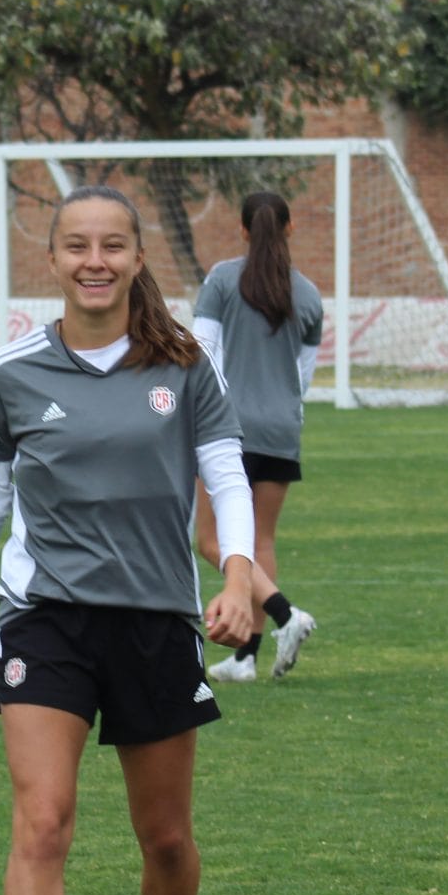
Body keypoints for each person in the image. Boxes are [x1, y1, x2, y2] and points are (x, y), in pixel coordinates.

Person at [0, 185, 256, 895]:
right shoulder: (9, 374)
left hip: (156, 620)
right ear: (55, 257)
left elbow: (225, 473)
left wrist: (237, 575)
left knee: (165, 839)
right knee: (43, 821)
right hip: (46, 621)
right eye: (78, 245)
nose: (95, 261)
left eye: (113, 245)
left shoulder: (185, 364)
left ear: (137, 257)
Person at [192, 191, 322, 681]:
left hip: (228, 426)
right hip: (282, 427)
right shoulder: (309, 295)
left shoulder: (223, 280)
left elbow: (203, 352)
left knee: (210, 538)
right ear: (290, 228)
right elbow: (302, 377)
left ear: (243, 231)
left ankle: (287, 615)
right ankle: (246, 658)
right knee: (260, 538)